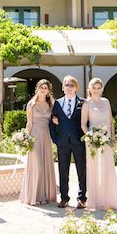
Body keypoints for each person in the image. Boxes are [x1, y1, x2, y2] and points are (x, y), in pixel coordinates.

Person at [81, 78, 117, 210]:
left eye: (99, 88)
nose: (96, 90)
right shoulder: (87, 103)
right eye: (94, 88)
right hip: (93, 139)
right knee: (94, 168)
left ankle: (108, 199)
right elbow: (83, 124)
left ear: (102, 89)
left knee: (107, 167)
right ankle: (95, 200)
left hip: (107, 138)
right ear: (90, 89)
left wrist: (113, 137)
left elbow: (110, 121)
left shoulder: (106, 102)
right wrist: (90, 136)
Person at [50, 75, 86, 209]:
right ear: (63, 88)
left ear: (76, 87)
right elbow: (52, 122)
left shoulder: (83, 102)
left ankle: (82, 198)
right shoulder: (58, 103)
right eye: (66, 85)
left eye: (71, 85)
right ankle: (64, 198)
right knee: (63, 171)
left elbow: (87, 121)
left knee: (81, 171)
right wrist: (56, 140)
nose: (69, 87)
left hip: (79, 142)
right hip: (63, 142)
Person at [19, 79, 57, 206]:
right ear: (37, 89)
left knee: (46, 164)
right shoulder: (31, 104)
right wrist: (25, 137)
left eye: (45, 88)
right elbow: (29, 123)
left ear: (48, 90)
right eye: (41, 87)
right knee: (37, 165)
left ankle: (46, 195)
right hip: (35, 135)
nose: (43, 90)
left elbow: (55, 120)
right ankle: (36, 195)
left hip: (46, 136)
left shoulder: (51, 104)